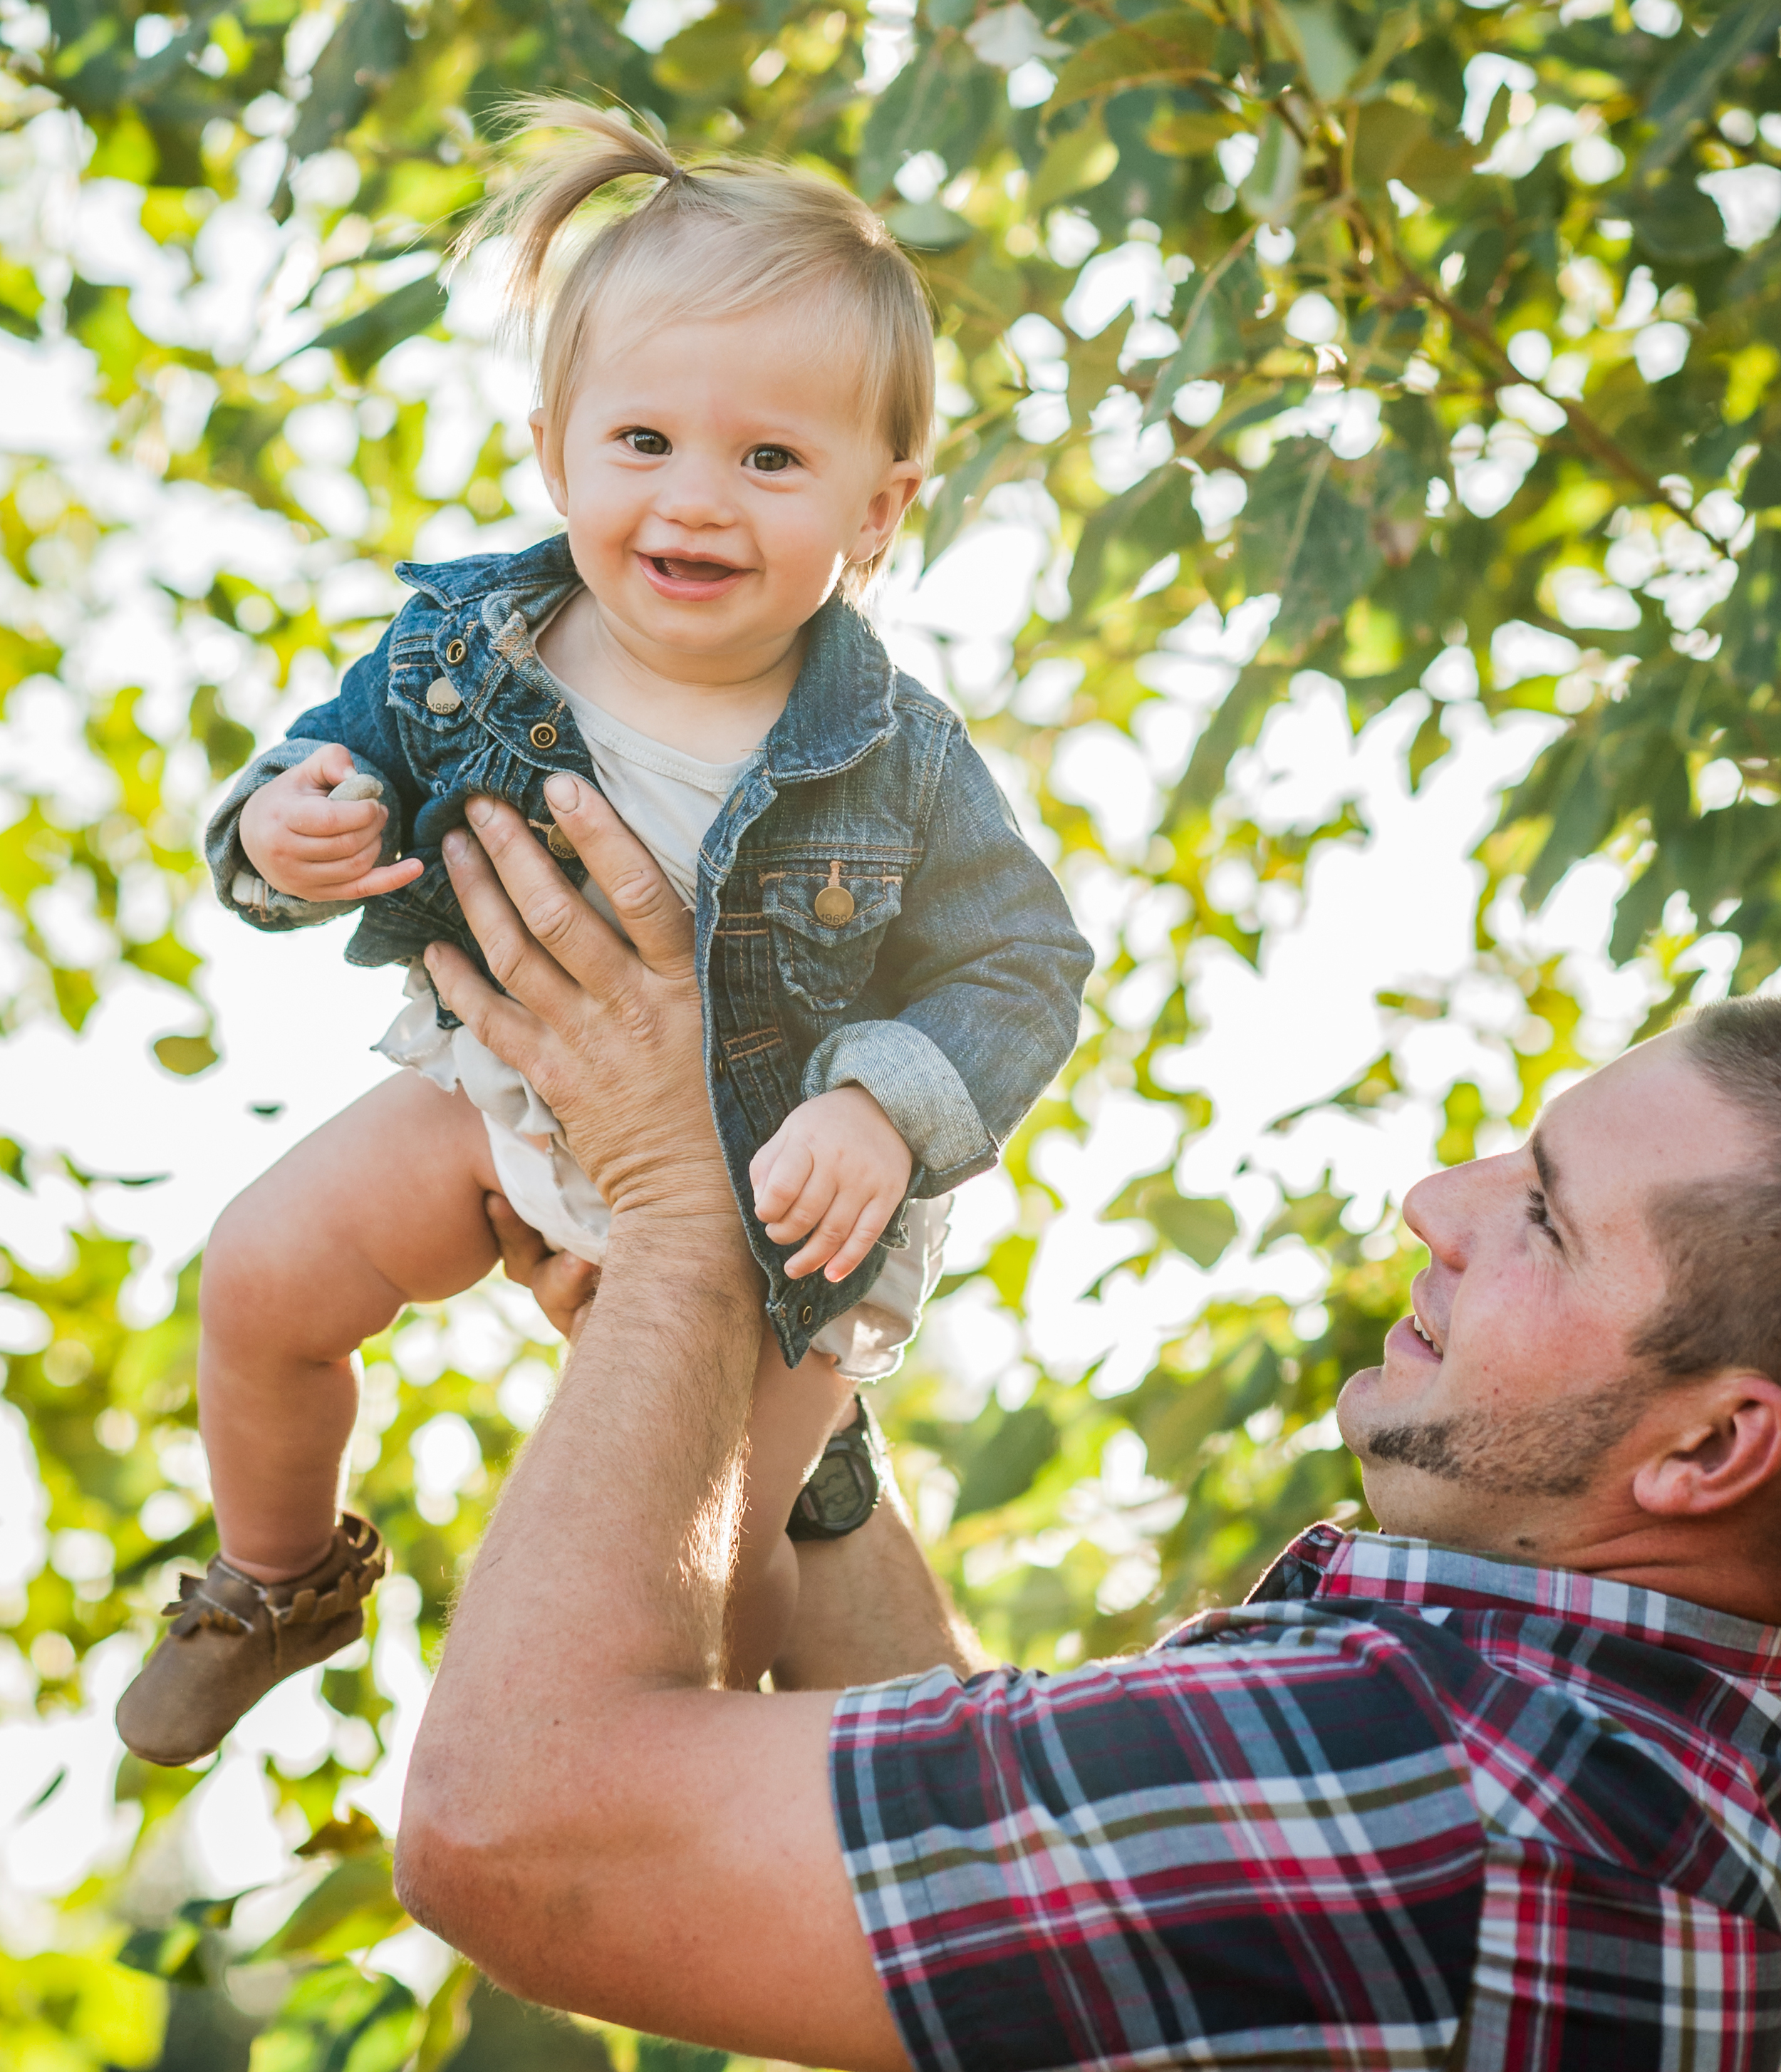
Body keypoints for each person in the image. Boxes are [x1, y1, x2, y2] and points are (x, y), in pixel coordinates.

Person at [395, 782, 1781, 2071]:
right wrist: (785, 1395)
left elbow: (517, 1830)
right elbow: (1002, 1883)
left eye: (1542, 1215)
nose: (1434, 1201)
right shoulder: (1655, 1780)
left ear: (1708, 1449)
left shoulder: (1433, 1795)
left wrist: (680, 1216)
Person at [115, 108, 1090, 1769]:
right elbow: (317, 770)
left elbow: (1021, 965)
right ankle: (279, 1577)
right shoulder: (462, 649)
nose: (694, 500)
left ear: (880, 504)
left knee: (707, 1565)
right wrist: (285, 825)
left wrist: (879, 1102)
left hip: (780, 1221)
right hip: (493, 1092)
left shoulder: (898, 755)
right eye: (642, 440)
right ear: (556, 447)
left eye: (771, 460)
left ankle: (734, 1751)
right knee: (262, 1266)